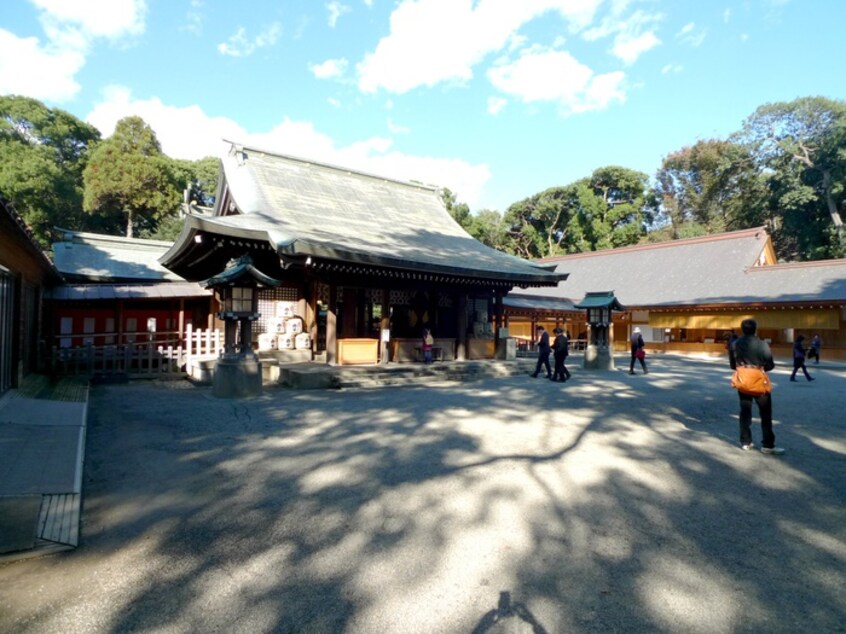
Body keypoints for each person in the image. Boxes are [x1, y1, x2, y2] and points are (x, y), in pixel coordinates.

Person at [733, 318, 783, 454]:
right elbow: (770, 364)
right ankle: (768, 444)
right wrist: (760, 369)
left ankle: (745, 442)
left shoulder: (735, 344)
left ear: (742, 329)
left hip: (743, 379)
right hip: (758, 379)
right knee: (765, 413)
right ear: (755, 329)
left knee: (745, 411)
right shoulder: (762, 344)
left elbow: (733, 365)